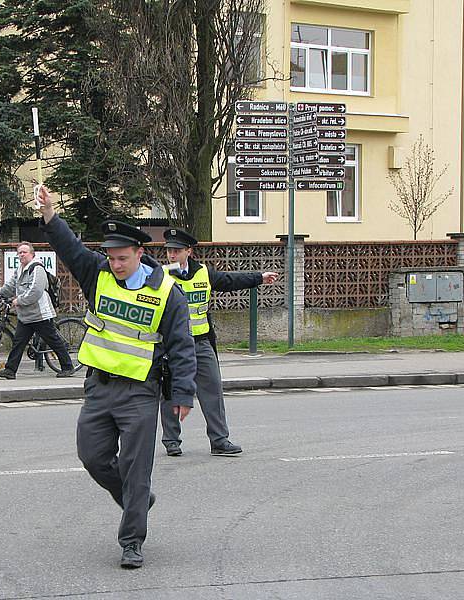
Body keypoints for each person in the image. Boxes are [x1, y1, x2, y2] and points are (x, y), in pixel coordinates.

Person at [36, 185, 196, 570]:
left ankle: (131, 542)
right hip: (99, 388)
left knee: (136, 469)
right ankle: (133, 497)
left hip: (140, 393)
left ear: (140, 253)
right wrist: (50, 215)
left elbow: (182, 346)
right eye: (110, 256)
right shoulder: (99, 274)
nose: (115, 264)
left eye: (122, 258)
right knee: (91, 457)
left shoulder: (167, 293)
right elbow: (70, 248)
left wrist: (183, 395)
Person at [160, 228, 278, 457]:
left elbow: (230, 280)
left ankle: (219, 440)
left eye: (176, 251)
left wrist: (259, 277)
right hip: (172, 345)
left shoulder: (204, 273)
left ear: (188, 251)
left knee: (212, 390)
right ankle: (171, 441)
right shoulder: (162, 275)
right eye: (169, 252)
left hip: (201, 343)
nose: (171, 255)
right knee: (171, 392)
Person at [0, 241, 75, 379]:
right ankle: (10, 371)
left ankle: (68, 367)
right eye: (19, 252)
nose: (21, 254)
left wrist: (19, 301)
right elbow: (11, 285)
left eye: (24, 252)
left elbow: (35, 291)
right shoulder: (20, 269)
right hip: (26, 315)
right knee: (18, 342)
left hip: (40, 314)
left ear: (32, 254)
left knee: (54, 341)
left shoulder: (37, 269)